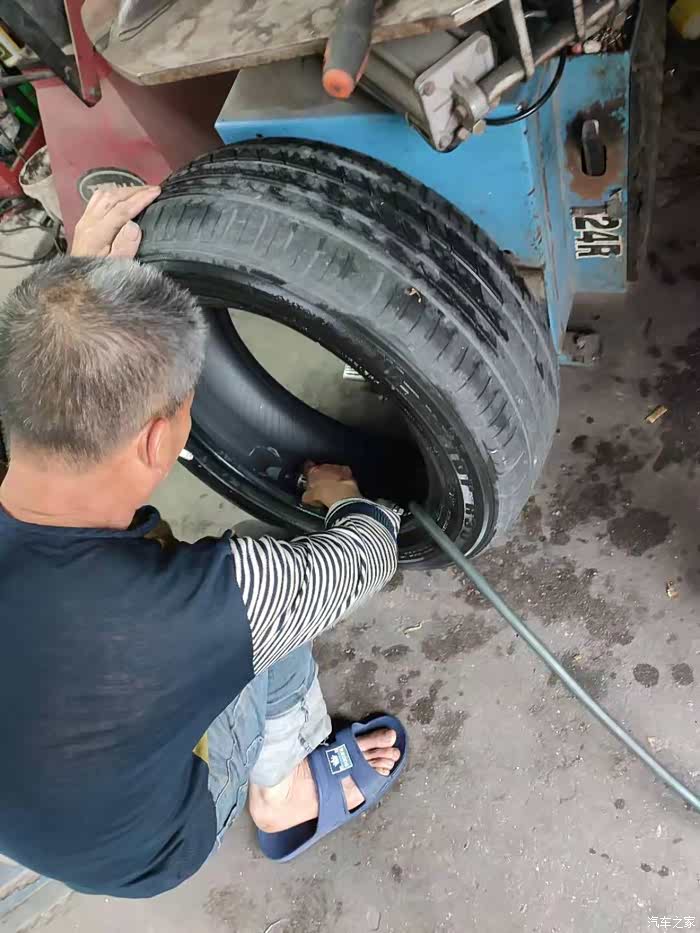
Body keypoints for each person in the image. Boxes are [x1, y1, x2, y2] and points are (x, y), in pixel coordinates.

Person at [0, 187, 406, 896]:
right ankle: (284, 794)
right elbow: (364, 557)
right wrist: (349, 503)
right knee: (269, 574)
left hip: (41, 813)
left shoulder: (24, 410)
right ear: (158, 441)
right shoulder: (213, 602)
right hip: (152, 845)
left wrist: (75, 292)